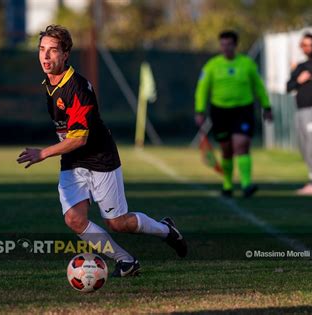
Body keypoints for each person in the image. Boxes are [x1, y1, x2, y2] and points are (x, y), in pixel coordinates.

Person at [17, 25, 187, 277]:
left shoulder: (77, 87)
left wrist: (42, 154)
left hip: (100, 158)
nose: (45, 56)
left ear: (66, 54)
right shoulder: (50, 83)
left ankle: (165, 230)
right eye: (42, 49)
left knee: (117, 223)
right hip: (73, 161)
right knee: (74, 219)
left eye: (53, 51)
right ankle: (126, 260)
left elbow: (79, 138)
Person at [195, 30, 272, 198]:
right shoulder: (212, 65)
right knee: (226, 149)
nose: (226, 48)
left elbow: (259, 86)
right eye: (223, 44)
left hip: (242, 110)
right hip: (220, 111)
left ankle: (246, 185)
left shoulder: (247, 64)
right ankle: (227, 184)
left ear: (235, 45)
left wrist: (267, 106)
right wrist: (199, 110)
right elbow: (202, 89)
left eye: (229, 44)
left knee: (241, 144)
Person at [287, 32, 312, 195]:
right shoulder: (299, 67)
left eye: (311, 45)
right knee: (304, 146)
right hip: (300, 111)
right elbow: (288, 87)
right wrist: (299, 80)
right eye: (305, 45)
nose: (308, 48)